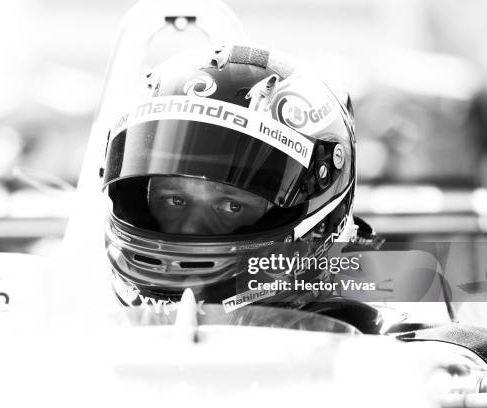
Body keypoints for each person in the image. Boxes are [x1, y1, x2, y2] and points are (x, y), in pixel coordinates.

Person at [100, 44, 382, 331]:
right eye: (174, 199)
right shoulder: (73, 309)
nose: (190, 230)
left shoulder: (397, 291)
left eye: (231, 206)